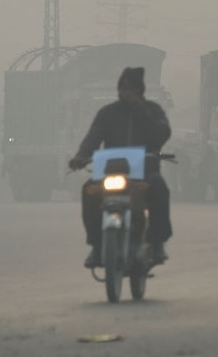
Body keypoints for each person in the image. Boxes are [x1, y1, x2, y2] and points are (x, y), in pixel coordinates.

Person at [68, 67, 173, 268]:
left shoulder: (153, 110)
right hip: (111, 173)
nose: (127, 93)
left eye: (131, 89)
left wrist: (141, 110)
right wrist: (81, 156)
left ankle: (157, 243)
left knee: (159, 188)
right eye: (123, 88)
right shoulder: (107, 113)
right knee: (89, 190)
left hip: (145, 173)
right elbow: (93, 138)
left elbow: (161, 135)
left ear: (140, 90)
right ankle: (97, 247)